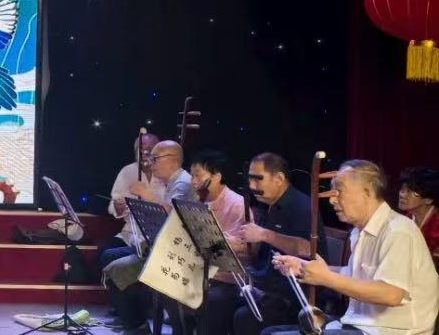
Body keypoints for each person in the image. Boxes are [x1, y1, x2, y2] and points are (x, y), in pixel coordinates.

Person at [265, 160, 439, 335]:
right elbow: (354, 274)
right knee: (270, 332)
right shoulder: (359, 231)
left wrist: (326, 278)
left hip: (391, 331)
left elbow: (392, 294)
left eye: (339, 191)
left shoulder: (398, 231)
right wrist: (304, 267)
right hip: (360, 325)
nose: (332, 200)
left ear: (367, 192)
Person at [200, 152, 325, 335]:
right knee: (213, 301)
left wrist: (265, 235)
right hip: (262, 284)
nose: (252, 186)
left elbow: (307, 248)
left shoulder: (301, 206)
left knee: (245, 317)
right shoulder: (267, 205)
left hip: (291, 293)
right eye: (250, 179)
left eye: (258, 179)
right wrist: (233, 242)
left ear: (279, 179)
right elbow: (258, 250)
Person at [105, 140, 196, 333]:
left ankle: (139, 325)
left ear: (173, 160)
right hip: (161, 249)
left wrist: (145, 194)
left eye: (155, 159)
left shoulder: (182, 183)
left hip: (178, 257)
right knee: (113, 267)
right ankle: (138, 325)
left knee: (116, 270)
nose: (150, 163)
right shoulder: (173, 181)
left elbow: (173, 216)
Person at [189, 150, 249, 335]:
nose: (193, 181)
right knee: (165, 285)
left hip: (227, 277)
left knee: (211, 300)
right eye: (192, 175)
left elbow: (242, 247)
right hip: (200, 268)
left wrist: (206, 240)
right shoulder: (198, 199)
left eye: (198, 175)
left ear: (217, 176)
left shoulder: (237, 204)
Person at [101, 132, 164, 260]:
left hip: (159, 236)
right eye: (140, 150)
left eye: (149, 149)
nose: (145, 153)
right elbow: (113, 206)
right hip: (130, 234)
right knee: (105, 250)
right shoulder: (127, 171)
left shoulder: (165, 173)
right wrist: (118, 207)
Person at [398, 167, 439, 270]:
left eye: (410, 191)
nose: (402, 194)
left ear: (428, 199)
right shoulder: (403, 220)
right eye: (402, 189)